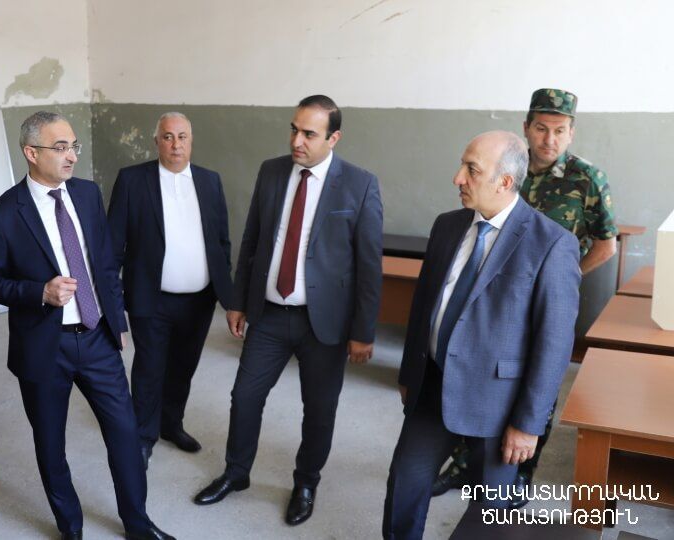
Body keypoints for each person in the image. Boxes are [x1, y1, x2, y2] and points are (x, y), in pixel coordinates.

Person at [0, 111, 174, 540]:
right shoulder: (1, 214)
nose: (72, 156)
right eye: (60, 147)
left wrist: (117, 320)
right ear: (31, 153)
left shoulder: (86, 194)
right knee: (51, 446)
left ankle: (138, 525)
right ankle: (71, 529)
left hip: (97, 335)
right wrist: (39, 292)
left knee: (125, 434)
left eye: (74, 146)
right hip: (45, 348)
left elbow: (104, 264)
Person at [194, 95, 383, 527]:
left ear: (334, 138)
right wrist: (239, 300)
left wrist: (363, 331)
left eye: (309, 134)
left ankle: (306, 483)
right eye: (294, 130)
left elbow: (369, 266)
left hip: (325, 323)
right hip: (271, 315)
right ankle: (236, 472)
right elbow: (253, 239)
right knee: (245, 396)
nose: (297, 141)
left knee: (318, 408)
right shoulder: (272, 171)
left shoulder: (360, 184)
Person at [382, 131, 580, 539]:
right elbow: (423, 306)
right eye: (462, 166)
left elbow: (554, 345)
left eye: (471, 170)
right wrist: (408, 374)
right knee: (404, 485)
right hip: (434, 384)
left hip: (499, 404)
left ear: (504, 181)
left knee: (489, 512)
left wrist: (528, 424)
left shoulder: (551, 243)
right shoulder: (447, 226)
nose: (458, 178)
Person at [431, 89, 619, 507]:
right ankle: (462, 465)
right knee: (475, 376)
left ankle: (518, 477)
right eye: (541, 128)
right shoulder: (506, 165)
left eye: (560, 131)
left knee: (538, 384)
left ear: (572, 133)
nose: (550, 139)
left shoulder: (587, 179)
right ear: (526, 128)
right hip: (489, 301)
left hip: (546, 303)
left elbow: (606, 245)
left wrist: (564, 278)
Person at [107, 112, 234, 467]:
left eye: (182, 137)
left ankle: (171, 425)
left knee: (183, 367)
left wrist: (228, 296)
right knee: (149, 368)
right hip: (151, 298)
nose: (175, 144)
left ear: (191, 141)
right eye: (167, 137)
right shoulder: (132, 180)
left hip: (199, 301)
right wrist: (112, 306)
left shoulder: (210, 181)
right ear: (156, 141)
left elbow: (222, 242)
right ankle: (143, 436)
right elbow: (113, 246)